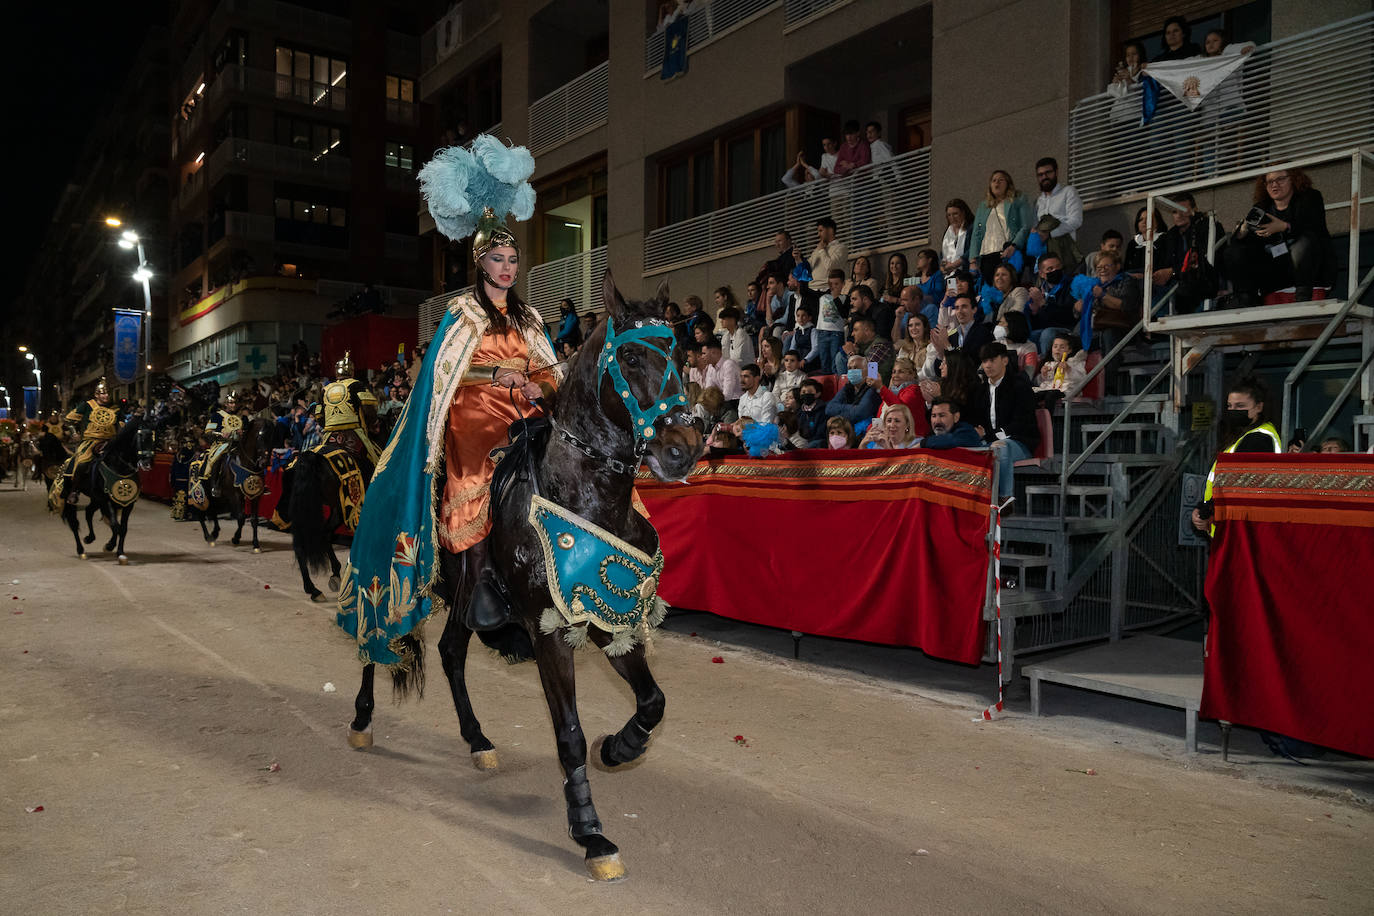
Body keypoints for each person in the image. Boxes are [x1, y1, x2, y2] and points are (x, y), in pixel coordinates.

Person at [339, 135, 558, 644]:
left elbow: (552, 370)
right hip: (474, 410)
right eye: (498, 259)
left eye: (513, 259)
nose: (508, 267)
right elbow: (443, 374)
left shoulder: (529, 317)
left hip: (525, 408)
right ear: (481, 264)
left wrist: (537, 383)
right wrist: (495, 376)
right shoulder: (461, 313)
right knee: (482, 453)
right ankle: (478, 576)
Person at [1223, 167, 1334, 306]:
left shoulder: (1310, 197)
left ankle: (1303, 297)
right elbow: (1245, 245)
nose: (1274, 185)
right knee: (1234, 251)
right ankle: (1245, 298)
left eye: (1280, 179)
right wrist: (1242, 232)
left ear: (1293, 179)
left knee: (1304, 241)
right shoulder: (1262, 207)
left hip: (1306, 267)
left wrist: (1284, 226)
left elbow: (1315, 228)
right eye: (1269, 181)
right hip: (1275, 268)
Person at [1192, 377, 1282, 537]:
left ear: (1259, 407)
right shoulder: (1243, 436)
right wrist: (1204, 509)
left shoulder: (1258, 438)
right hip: (1233, 528)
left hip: (1241, 530)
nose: (1233, 411)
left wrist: (1206, 511)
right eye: (1229, 406)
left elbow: (1237, 485)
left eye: (1240, 406)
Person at [977, 342, 1040, 509]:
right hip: (989, 441)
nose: (987, 365)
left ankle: (1004, 499)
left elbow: (1022, 422)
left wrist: (994, 436)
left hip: (1020, 442)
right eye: (984, 361)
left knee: (1001, 448)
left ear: (1005, 360)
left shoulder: (1020, 385)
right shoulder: (980, 390)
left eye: (992, 360)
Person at [50, 377, 119, 509]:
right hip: (90, 442)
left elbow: (121, 425)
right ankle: (74, 491)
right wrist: (74, 433)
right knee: (82, 462)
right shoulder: (87, 405)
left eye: (108, 393)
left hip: (110, 441)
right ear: (96, 395)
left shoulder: (115, 408)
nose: (106, 396)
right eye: (103, 393)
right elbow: (68, 420)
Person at [967, 170, 1035, 284]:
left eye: (1001, 180)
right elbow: (976, 234)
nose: (996, 183)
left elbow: (1026, 226)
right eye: (994, 180)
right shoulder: (983, 206)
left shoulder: (1018, 200)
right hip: (987, 256)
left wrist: (1014, 246)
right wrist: (973, 260)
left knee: (1010, 287)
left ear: (1008, 183)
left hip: (1008, 252)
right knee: (990, 290)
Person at [1076, 248, 1141, 353]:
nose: (1103, 270)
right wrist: (1078, 307)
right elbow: (1077, 313)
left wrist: (1103, 295)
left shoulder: (1126, 281)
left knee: (1108, 334)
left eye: (1107, 266)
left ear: (1117, 266)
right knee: (1069, 338)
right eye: (1099, 267)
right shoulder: (1093, 285)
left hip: (1121, 326)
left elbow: (1126, 306)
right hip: (1097, 326)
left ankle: (1110, 364)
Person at [1025, 253, 1077, 355]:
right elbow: (1038, 324)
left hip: (1069, 328)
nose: (1055, 271)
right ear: (1041, 274)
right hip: (1048, 328)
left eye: (1058, 267)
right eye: (1050, 269)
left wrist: (1044, 304)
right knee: (1030, 336)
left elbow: (1070, 315)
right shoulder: (1040, 291)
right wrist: (1035, 312)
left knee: (1047, 333)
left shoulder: (1072, 285)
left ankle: (1048, 363)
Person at [873, 358, 930, 438]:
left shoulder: (915, 390)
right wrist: (871, 431)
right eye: (894, 372)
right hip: (891, 437)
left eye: (901, 372)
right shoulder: (891, 392)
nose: (896, 375)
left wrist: (881, 388)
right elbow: (879, 418)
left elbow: (899, 409)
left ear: (912, 375)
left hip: (912, 439)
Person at [1033, 157, 1083, 245]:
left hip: (1064, 248)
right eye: (1040, 175)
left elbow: (1076, 221)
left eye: (1048, 172)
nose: (1044, 177)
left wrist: (1051, 234)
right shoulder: (1038, 202)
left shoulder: (1068, 192)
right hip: (1044, 250)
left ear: (1056, 172)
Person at [825, 355, 882, 427]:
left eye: (856, 368)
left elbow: (859, 413)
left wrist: (840, 410)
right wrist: (853, 408)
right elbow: (829, 409)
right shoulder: (848, 387)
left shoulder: (872, 389)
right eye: (849, 368)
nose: (852, 371)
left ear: (867, 371)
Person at [835, 315, 894, 383]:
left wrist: (851, 354)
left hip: (875, 386)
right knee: (841, 356)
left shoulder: (881, 346)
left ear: (866, 331)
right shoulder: (864, 346)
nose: (852, 334)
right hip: (864, 384)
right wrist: (855, 353)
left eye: (855, 330)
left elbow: (871, 373)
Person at [795, 217, 847, 293]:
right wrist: (798, 259)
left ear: (830, 230)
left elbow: (832, 267)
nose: (818, 234)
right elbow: (806, 270)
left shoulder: (840, 248)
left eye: (821, 231)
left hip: (827, 289)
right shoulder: (818, 249)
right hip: (811, 289)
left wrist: (822, 250)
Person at [811, 268, 848, 373]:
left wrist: (836, 298)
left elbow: (844, 314)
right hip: (822, 332)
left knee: (834, 360)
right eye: (831, 284)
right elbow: (807, 291)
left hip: (836, 333)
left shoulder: (845, 298)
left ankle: (835, 378)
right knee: (824, 360)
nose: (833, 287)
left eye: (836, 284)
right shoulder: (823, 296)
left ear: (843, 284)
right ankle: (826, 379)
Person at [919, 397, 984, 449]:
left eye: (942, 415)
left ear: (956, 417)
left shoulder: (967, 432)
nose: (937, 421)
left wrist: (923, 443)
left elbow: (952, 440)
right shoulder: (930, 435)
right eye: (934, 416)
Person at [701, 337, 743, 402]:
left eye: (704, 353)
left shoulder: (728, 364)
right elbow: (708, 391)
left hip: (736, 401)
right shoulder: (710, 367)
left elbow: (727, 395)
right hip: (723, 402)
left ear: (713, 352)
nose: (702, 357)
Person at [941, 199, 974, 275]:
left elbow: (973, 249)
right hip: (950, 274)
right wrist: (943, 266)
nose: (952, 218)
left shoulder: (971, 228)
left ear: (963, 213)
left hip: (967, 271)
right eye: (949, 215)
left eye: (955, 214)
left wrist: (956, 264)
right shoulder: (948, 232)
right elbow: (942, 254)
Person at [796, 377, 828, 446]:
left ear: (817, 394)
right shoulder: (798, 412)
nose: (806, 394)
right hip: (801, 442)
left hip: (816, 442)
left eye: (809, 392)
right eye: (803, 392)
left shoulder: (823, 410)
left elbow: (821, 433)